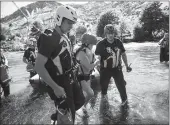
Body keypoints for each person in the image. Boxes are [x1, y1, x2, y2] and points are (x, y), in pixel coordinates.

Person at [35, 5, 85, 124]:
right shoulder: (49, 38)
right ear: (59, 19)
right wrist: (55, 87)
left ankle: (58, 116)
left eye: (73, 23)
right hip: (60, 82)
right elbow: (38, 66)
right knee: (69, 117)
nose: (71, 26)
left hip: (70, 78)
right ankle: (61, 117)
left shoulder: (64, 36)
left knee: (80, 101)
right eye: (69, 23)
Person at [95, 24, 132, 106]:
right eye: (109, 33)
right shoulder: (100, 44)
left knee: (122, 87)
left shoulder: (118, 42)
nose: (111, 35)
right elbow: (98, 55)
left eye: (112, 33)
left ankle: (124, 102)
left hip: (117, 69)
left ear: (114, 33)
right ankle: (104, 104)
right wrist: (97, 60)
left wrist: (126, 65)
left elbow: (123, 54)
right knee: (104, 89)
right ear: (105, 34)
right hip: (105, 70)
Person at [75, 33, 99, 114]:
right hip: (81, 77)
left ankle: (83, 107)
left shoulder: (88, 51)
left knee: (87, 94)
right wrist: (96, 62)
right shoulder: (81, 52)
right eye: (91, 45)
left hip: (87, 76)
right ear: (86, 43)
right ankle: (80, 107)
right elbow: (89, 66)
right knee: (91, 93)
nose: (92, 47)